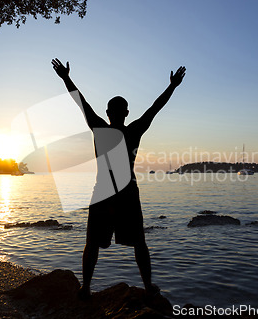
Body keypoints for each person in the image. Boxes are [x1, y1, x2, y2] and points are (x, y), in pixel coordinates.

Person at [51, 58, 186, 299]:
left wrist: (65, 77)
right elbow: (155, 107)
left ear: (108, 113)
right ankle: (147, 287)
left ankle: (86, 288)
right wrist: (173, 86)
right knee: (139, 243)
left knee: (92, 243)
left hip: (103, 190)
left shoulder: (100, 128)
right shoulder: (134, 131)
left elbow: (81, 102)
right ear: (126, 113)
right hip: (127, 192)